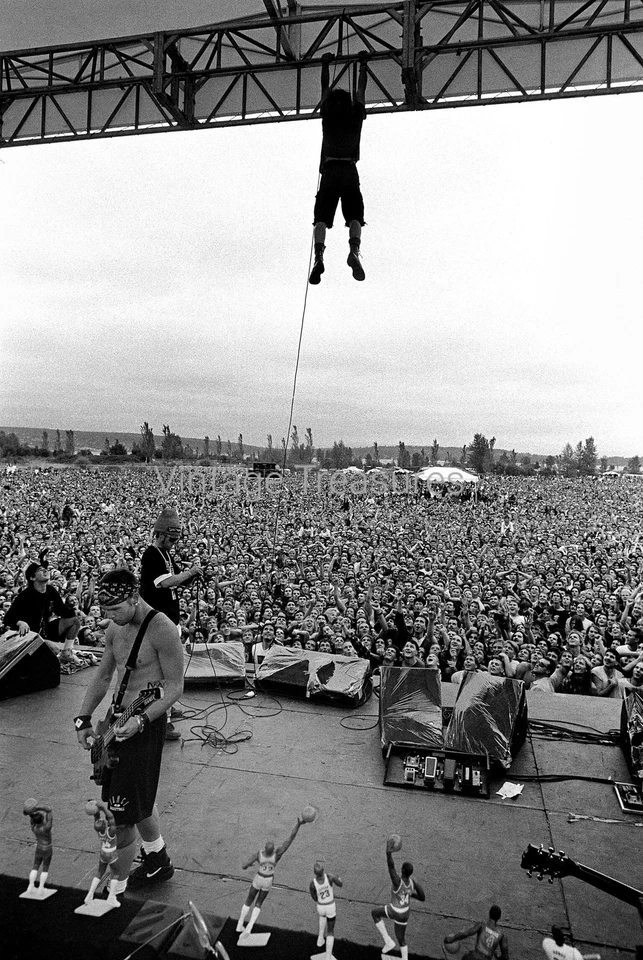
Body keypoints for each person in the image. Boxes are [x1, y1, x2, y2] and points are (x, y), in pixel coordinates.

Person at [74, 568, 184, 898]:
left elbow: (175, 687)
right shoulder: (115, 628)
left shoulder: (163, 629)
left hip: (144, 724)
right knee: (137, 799)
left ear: (134, 598)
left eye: (114, 609)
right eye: (105, 610)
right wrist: (83, 718)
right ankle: (158, 859)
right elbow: (102, 676)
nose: (109, 617)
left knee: (119, 817)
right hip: (117, 720)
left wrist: (142, 721)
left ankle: (115, 892)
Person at [140, 506, 202, 739]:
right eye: (171, 539)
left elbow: (176, 579)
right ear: (160, 535)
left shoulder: (166, 554)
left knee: (169, 668)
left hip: (170, 616)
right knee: (162, 669)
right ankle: (161, 721)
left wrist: (192, 576)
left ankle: (166, 707)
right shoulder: (151, 555)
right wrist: (190, 572)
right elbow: (164, 583)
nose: (174, 543)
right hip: (157, 619)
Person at [309, 51, 368, 285]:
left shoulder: (328, 113)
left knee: (321, 218)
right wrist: (363, 64)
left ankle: (319, 256)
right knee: (355, 216)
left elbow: (324, 86)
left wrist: (325, 64)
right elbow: (361, 89)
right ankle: (354, 250)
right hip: (349, 170)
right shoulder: (356, 114)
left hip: (330, 169)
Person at [237, 815, 305, 939]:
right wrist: (298, 824)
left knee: (248, 900)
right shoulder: (277, 855)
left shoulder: (259, 854)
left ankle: (240, 924)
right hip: (268, 880)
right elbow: (290, 839)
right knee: (258, 903)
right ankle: (249, 927)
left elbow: (244, 866)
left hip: (258, 878)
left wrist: (249, 865)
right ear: (273, 849)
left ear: (264, 849)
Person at [4, 562, 80, 663]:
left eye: (45, 569)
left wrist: (74, 611)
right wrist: (21, 623)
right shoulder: (25, 595)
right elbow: (7, 618)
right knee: (54, 649)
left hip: (45, 630)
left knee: (75, 621)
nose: (45, 570)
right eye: (40, 570)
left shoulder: (50, 590)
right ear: (32, 578)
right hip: (28, 635)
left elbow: (61, 610)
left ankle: (67, 652)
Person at [371, 836, 426, 960]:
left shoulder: (397, 882)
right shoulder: (412, 883)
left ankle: (387, 941)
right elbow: (422, 897)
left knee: (375, 913)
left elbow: (391, 867)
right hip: (405, 913)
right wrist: (411, 892)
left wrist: (388, 853)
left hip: (395, 910)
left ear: (402, 870)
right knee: (401, 939)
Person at [84, 799, 119, 904]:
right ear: (105, 825)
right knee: (116, 873)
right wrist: (103, 808)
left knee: (99, 872)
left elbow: (97, 817)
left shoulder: (99, 832)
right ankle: (111, 897)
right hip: (111, 853)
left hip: (103, 853)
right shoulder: (111, 832)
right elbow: (111, 818)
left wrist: (95, 809)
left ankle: (90, 894)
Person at [444, 905, 509, 960]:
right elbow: (505, 957)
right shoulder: (501, 935)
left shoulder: (482, 925)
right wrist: (498, 957)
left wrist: (453, 938)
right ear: (499, 917)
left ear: (489, 913)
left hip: (475, 956)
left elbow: (467, 933)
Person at [309, 860, 343, 960]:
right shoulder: (329, 877)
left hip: (321, 906)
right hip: (330, 906)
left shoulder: (312, 883)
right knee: (330, 931)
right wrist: (339, 878)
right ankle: (328, 957)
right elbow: (340, 884)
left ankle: (320, 940)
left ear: (314, 873)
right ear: (323, 870)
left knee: (322, 917)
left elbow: (314, 897)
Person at [23, 799, 53, 893]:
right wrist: (38, 807)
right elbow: (49, 811)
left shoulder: (34, 828)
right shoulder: (46, 828)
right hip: (47, 849)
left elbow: (32, 819)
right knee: (45, 868)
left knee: (35, 866)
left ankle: (30, 886)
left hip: (39, 848)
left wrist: (30, 811)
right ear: (43, 819)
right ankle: (41, 888)